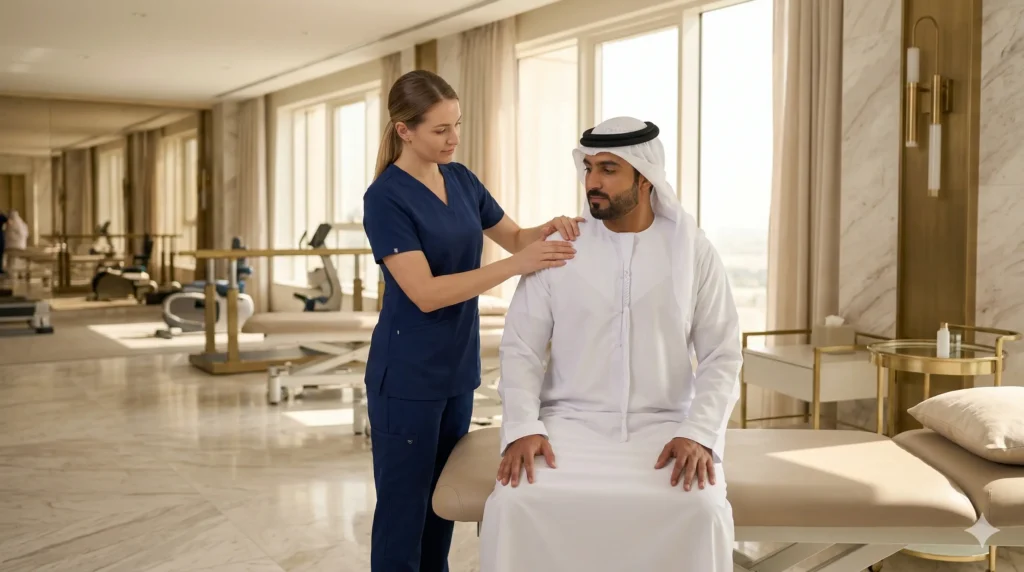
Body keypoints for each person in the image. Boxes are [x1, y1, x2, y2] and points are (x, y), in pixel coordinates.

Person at [479, 116, 743, 572]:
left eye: (608, 170)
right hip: (568, 426)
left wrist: (698, 433)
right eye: (588, 169)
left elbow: (722, 352)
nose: (592, 182)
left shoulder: (692, 250)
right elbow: (521, 348)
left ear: (645, 179)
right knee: (512, 503)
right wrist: (522, 426)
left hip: (665, 428)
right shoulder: (561, 247)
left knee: (701, 510)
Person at [361, 69, 587, 572]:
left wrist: (550, 228)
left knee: (441, 507)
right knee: (404, 511)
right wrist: (516, 266)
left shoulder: (461, 179)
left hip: (455, 373)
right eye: (440, 130)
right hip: (407, 376)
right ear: (405, 131)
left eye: (457, 125)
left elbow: (516, 238)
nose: (453, 138)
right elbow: (424, 294)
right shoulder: (385, 199)